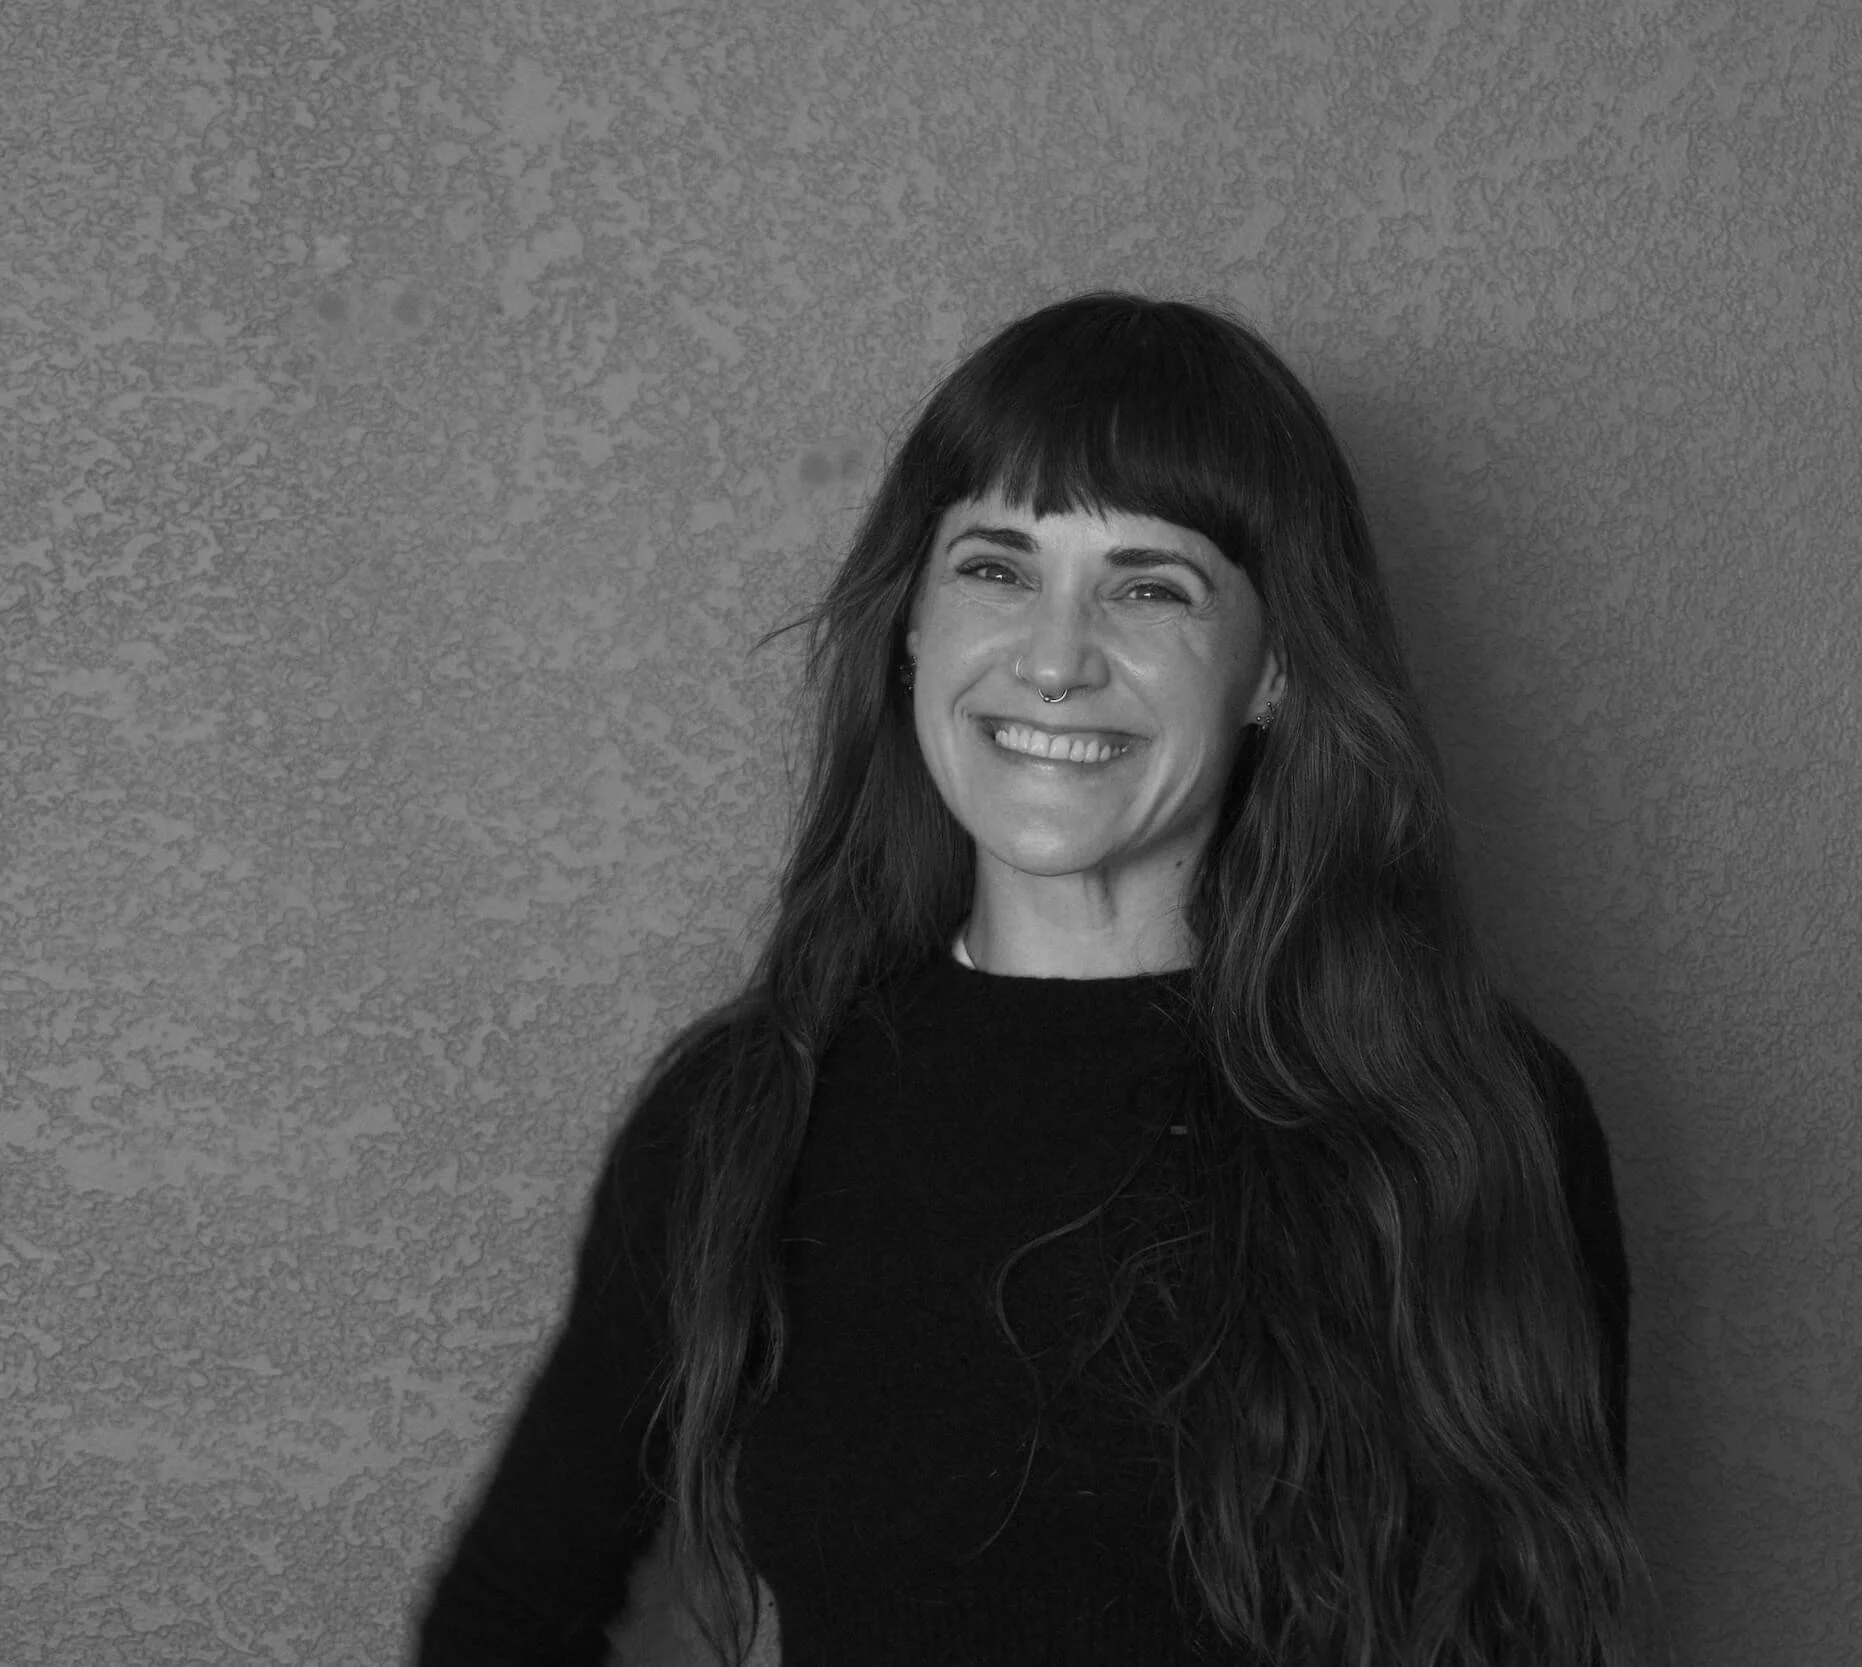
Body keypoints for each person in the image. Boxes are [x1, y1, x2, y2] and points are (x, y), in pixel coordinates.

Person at [414, 293, 1656, 1666]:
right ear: (911, 627)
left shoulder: (1467, 1120)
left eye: (1148, 587)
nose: (1056, 660)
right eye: (999, 569)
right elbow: (502, 1625)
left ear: (1278, 668)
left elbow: (1535, 1636)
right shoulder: (740, 1118)